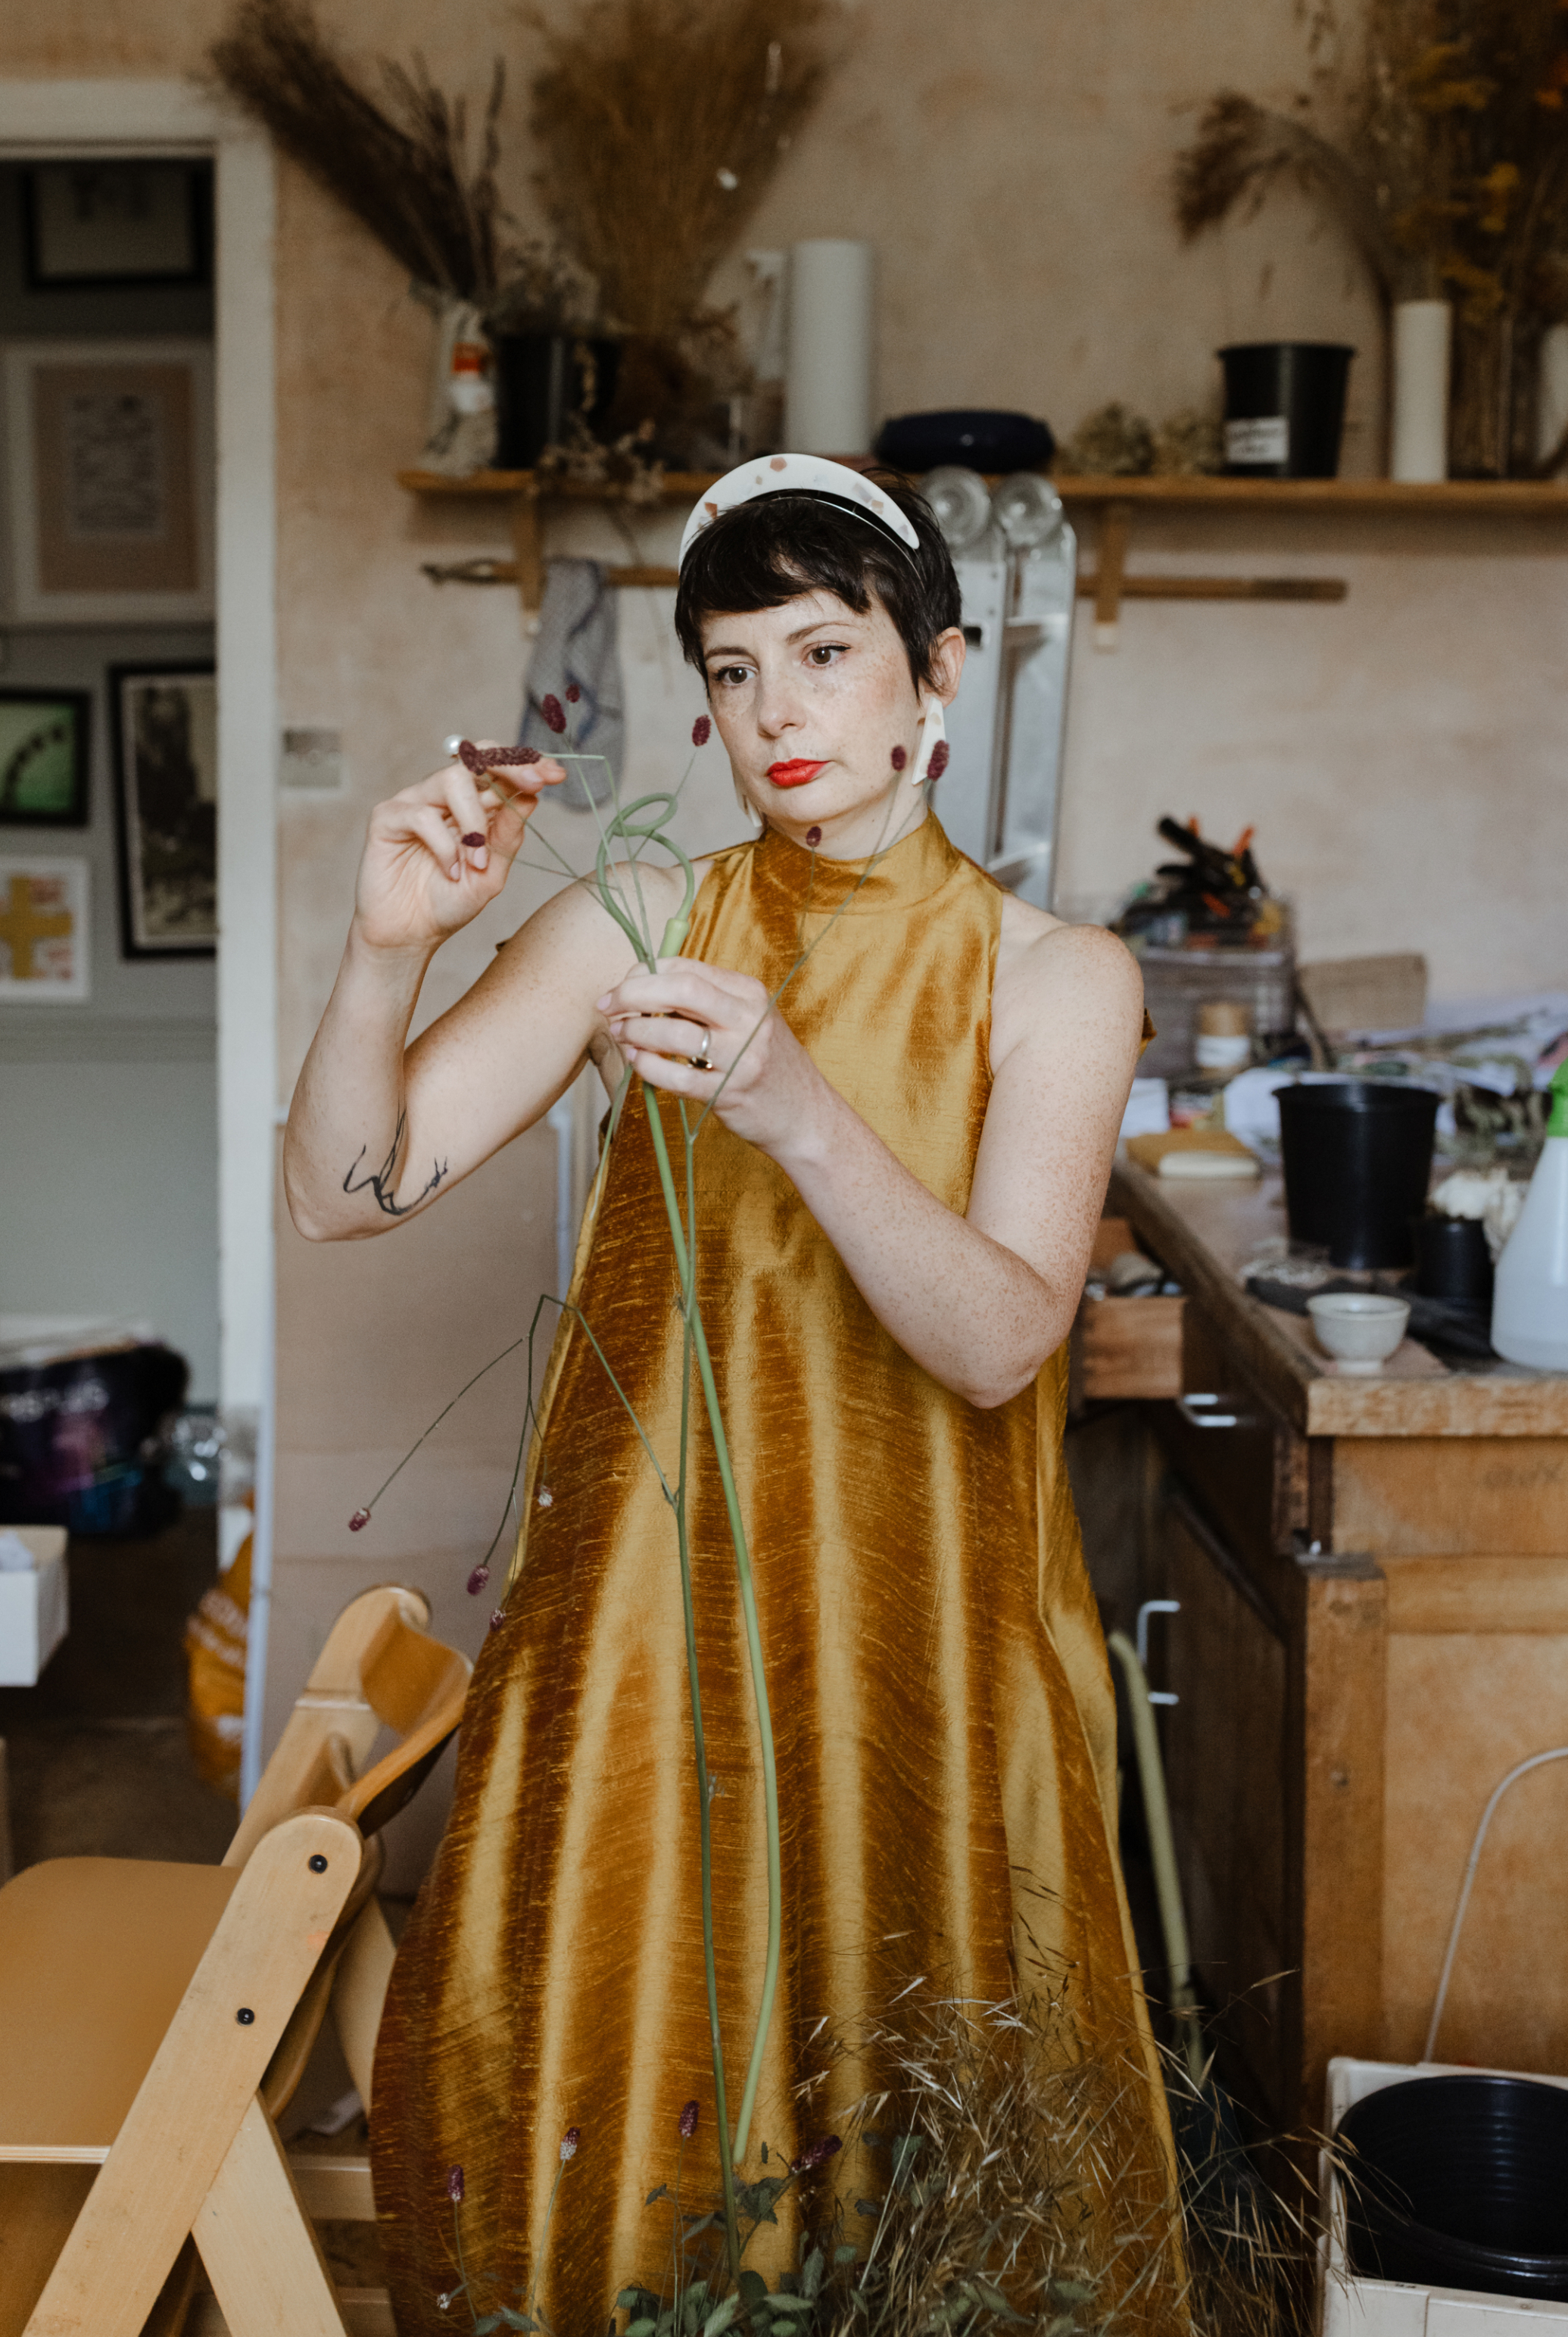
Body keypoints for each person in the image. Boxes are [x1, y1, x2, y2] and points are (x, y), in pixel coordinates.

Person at [284, 454, 1173, 2335]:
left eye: (828, 652)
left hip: (922, 1649)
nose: (777, 709)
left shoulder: (1061, 976)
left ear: (942, 674)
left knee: (920, 2173)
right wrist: (385, 947)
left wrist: (794, 1106)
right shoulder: (648, 913)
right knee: (638, 2133)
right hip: (646, 1645)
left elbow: (1004, 1337)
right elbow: (340, 1193)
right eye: (738, 667)